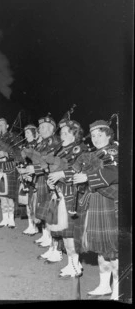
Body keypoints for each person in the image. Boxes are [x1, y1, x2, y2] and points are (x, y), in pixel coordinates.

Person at [72, 120, 119, 300]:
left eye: (100, 134)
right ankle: (103, 285)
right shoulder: (94, 153)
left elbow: (114, 172)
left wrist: (88, 177)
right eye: (93, 135)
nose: (97, 138)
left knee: (112, 249)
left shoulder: (113, 151)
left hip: (110, 202)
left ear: (109, 135)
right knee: (101, 247)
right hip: (97, 200)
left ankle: (118, 288)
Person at [41, 119, 87, 268]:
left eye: (66, 133)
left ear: (75, 135)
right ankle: (71, 263)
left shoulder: (79, 149)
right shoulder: (60, 149)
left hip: (71, 194)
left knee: (69, 233)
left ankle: (74, 265)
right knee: (62, 230)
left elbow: (77, 170)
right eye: (62, 133)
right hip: (59, 193)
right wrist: (51, 181)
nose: (63, 135)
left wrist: (61, 173)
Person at [30, 115, 60, 247]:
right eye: (40, 127)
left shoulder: (53, 142)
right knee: (41, 205)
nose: (40, 130)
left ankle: (50, 238)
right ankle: (45, 234)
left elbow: (47, 162)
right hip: (40, 177)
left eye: (43, 127)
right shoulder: (42, 143)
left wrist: (34, 169)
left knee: (47, 208)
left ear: (52, 129)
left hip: (49, 178)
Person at [0, 118, 20, 229]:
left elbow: (19, 154)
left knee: (9, 196)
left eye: (3, 124)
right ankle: (4, 219)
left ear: (7, 126)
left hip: (10, 168)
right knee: (2, 196)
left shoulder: (14, 138)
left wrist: (6, 154)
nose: (1, 126)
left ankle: (11, 220)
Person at [15, 124, 40, 236]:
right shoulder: (25, 146)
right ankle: (31, 225)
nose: (26, 135)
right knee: (28, 203)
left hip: (35, 176)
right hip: (25, 175)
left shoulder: (37, 146)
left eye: (28, 133)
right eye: (25, 133)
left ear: (34, 134)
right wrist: (20, 168)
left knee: (35, 203)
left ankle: (37, 227)